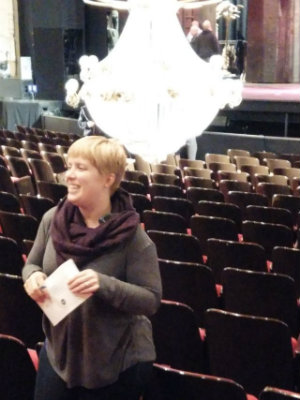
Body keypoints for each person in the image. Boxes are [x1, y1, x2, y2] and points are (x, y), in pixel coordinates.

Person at [22, 135, 162, 400]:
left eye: (81, 168)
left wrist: (103, 284)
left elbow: (150, 300)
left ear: (108, 179)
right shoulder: (52, 219)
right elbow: (31, 265)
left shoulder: (133, 238)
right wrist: (33, 277)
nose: (69, 176)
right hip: (60, 353)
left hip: (116, 361)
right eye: (69, 166)